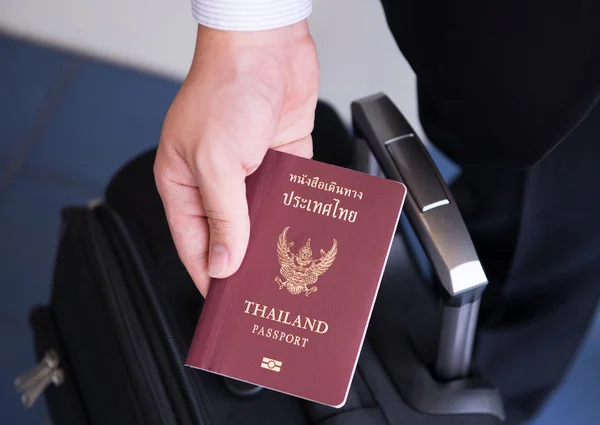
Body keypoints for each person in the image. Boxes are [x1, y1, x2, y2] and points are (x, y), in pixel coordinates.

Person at [153, 2, 600, 424]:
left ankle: (484, 404)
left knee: (547, 242)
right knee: (543, 224)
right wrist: (249, 37)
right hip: (524, 52)